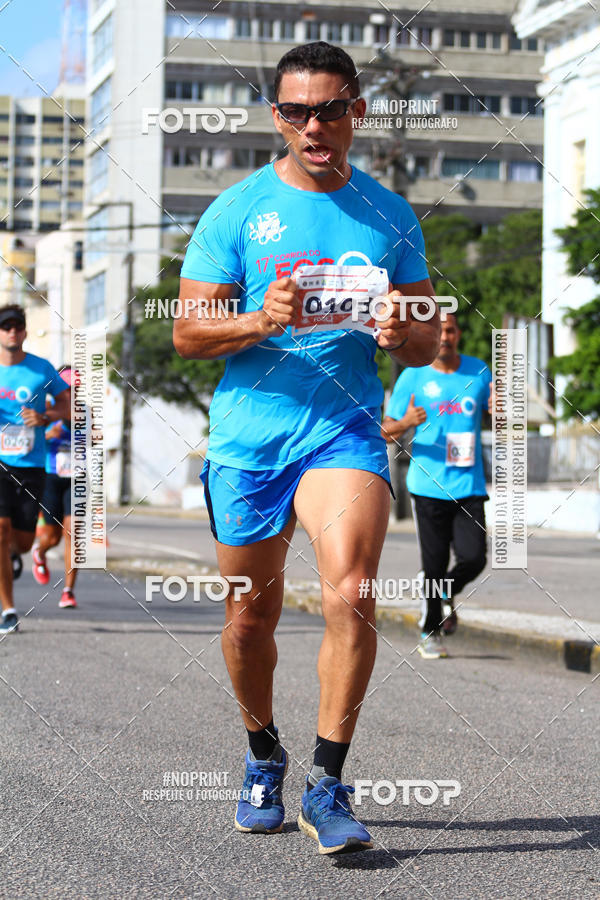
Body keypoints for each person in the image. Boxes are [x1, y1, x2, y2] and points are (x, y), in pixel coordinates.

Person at [174, 42, 439, 855]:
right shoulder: (235, 211)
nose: (314, 125)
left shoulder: (390, 215)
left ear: (357, 111)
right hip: (250, 441)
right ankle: (263, 756)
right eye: (296, 111)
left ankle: (329, 783)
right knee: (250, 620)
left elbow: (427, 341)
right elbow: (187, 333)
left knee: (352, 590)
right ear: (278, 117)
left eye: (330, 108)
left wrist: (405, 329)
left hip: (344, 431)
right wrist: (260, 319)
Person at [382, 311, 491, 659]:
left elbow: (496, 416)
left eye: (451, 330)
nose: (445, 337)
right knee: (434, 563)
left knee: (474, 558)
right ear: (430, 336)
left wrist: (500, 411)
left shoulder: (478, 372)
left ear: (459, 334)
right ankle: (430, 632)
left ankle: (444, 592)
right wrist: (407, 422)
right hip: (427, 485)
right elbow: (384, 431)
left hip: (469, 483)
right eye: (439, 332)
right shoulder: (412, 376)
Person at [0, 305, 70, 633]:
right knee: (0, 529)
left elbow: (69, 405)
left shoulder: (41, 370)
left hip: (30, 464)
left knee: (25, 541)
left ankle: (17, 552)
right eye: (5, 327)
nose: (12, 331)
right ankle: (8, 610)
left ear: (25, 332)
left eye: (17, 326)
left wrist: (45, 418)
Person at [32, 365, 77, 609]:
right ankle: (40, 552)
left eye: (74, 389)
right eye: (66, 389)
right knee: (52, 537)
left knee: (74, 534)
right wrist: (47, 436)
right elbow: (29, 442)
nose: (71, 394)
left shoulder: (85, 413)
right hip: (51, 477)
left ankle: (68, 591)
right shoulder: (46, 412)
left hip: (78, 479)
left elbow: (97, 438)